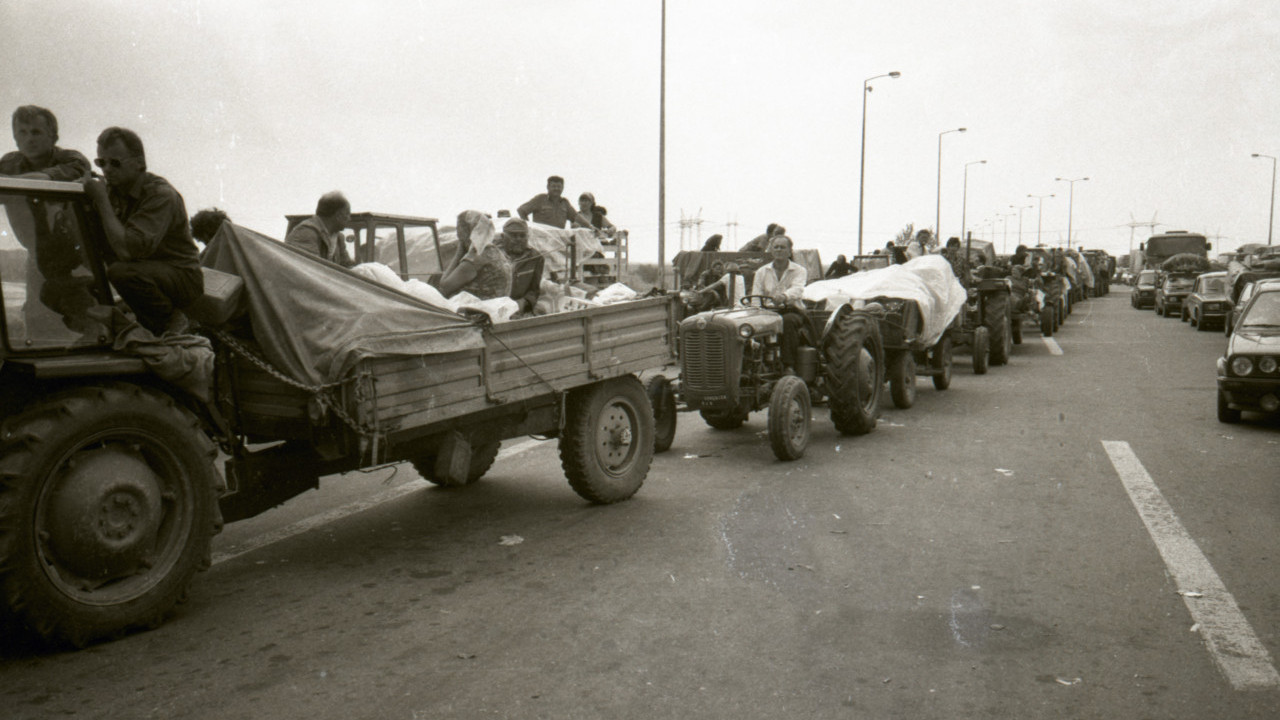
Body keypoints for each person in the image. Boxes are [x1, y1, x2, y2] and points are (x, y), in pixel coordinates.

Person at [83, 126, 203, 335]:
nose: (107, 169)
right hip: (147, 272)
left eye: (115, 163)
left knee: (121, 272)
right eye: (102, 163)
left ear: (140, 163)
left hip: (180, 276)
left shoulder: (160, 195)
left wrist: (101, 200)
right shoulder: (114, 191)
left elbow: (128, 250)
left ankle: (171, 322)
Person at [752, 235, 808, 371]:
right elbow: (756, 295)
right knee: (747, 326)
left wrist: (784, 296)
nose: (778, 250)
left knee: (787, 322)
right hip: (767, 312)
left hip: (791, 310)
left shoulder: (799, 271)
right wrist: (753, 313)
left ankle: (789, 365)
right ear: (771, 250)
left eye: (782, 247)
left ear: (789, 251)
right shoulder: (761, 271)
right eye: (775, 247)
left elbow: (797, 289)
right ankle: (753, 364)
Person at [1, 106, 91, 180]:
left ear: (54, 138)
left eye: (36, 132)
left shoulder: (73, 160)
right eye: (22, 132)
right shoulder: (8, 162)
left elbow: (44, 178)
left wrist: (6, 180)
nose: (29, 139)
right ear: (15, 137)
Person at [438, 210, 512, 300]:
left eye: (459, 231)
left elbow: (444, 287)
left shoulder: (475, 257)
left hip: (477, 310)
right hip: (494, 307)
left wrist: (459, 251)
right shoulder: (494, 251)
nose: (458, 235)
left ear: (467, 232)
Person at [285, 191, 353, 266]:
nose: (349, 219)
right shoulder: (306, 233)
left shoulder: (339, 238)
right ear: (338, 215)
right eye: (347, 214)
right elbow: (310, 270)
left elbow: (347, 267)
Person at [496, 217, 544, 315]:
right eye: (513, 235)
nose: (519, 239)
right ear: (502, 236)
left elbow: (534, 290)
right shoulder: (492, 255)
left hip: (519, 308)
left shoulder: (536, 258)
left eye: (522, 236)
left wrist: (525, 302)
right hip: (494, 307)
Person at [517, 175, 593, 229]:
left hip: (558, 240)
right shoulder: (540, 199)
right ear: (548, 187)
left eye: (559, 186)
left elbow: (576, 217)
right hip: (541, 239)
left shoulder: (565, 203)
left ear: (562, 188)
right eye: (553, 186)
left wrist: (590, 226)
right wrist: (528, 227)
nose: (556, 189)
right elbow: (521, 210)